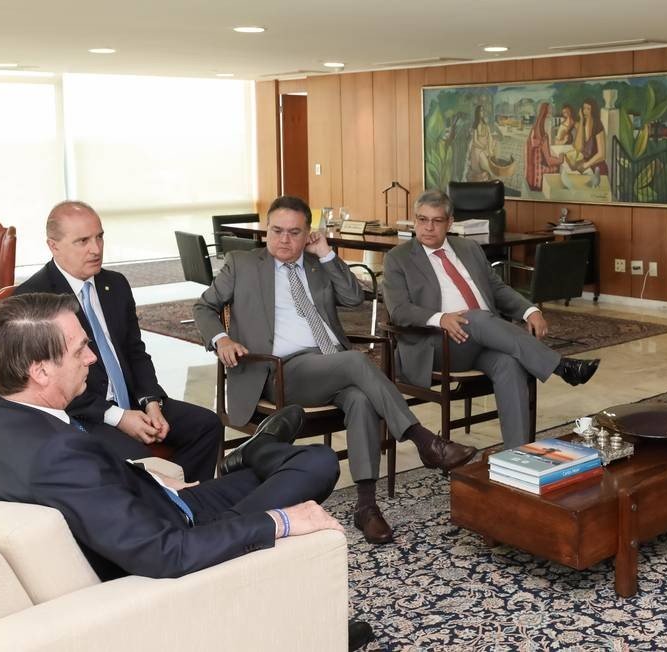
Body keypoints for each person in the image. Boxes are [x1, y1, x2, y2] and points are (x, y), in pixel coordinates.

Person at [0, 292, 374, 650]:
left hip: (161, 502)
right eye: (80, 349)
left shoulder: (10, 422)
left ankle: (253, 455)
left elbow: (90, 490)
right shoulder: (58, 454)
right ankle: (255, 459)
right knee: (317, 465)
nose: (91, 357)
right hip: (185, 533)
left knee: (315, 460)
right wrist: (281, 521)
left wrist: (151, 477)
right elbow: (167, 553)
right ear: (40, 371)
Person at [194, 195, 476, 545]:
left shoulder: (317, 264)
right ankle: (424, 440)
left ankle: (366, 506)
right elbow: (204, 307)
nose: (284, 240)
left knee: (360, 399)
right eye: (277, 231)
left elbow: (354, 298)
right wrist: (221, 339)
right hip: (281, 371)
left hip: (330, 364)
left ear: (308, 234)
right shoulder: (242, 264)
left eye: (294, 233)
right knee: (356, 361)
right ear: (266, 230)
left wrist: (327, 254)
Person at [16, 201, 222, 483]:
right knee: (140, 461)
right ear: (54, 246)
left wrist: (151, 402)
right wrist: (118, 417)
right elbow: (47, 384)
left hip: (133, 400)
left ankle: (187, 500)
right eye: (83, 241)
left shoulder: (115, 284)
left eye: (99, 237)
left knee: (207, 426)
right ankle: (163, 501)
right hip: (84, 412)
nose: (96, 249)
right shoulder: (33, 298)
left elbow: (135, 351)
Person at [382, 189, 600, 449]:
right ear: (414, 220)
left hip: (483, 342)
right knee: (477, 319)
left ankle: (518, 454)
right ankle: (560, 365)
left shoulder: (469, 248)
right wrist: (440, 318)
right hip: (438, 344)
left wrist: (530, 311)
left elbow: (497, 289)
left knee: (509, 364)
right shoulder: (398, 258)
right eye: (422, 219)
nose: (428, 227)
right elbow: (399, 310)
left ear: (450, 223)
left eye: (436, 221)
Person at [570, 97, 608, 188]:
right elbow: (578, 147)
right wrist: (581, 120)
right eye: (584, 108)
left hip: (597, 167)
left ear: (593, 111)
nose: (585, 111)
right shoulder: (582, 124)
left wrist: (586, 165)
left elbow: (602, 154)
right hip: (586, 166)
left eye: (588, 109)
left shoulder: (597, 125)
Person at [524, 102, 562, 192]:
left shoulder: (534, 130)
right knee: (559, 168)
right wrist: (561, 159)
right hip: (537, 178)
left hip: (530, 177)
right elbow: (549, 161)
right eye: (549, 115)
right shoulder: (543, 136)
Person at [466, 104, 495, 181]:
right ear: (477, 113)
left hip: (484, 148)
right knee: (482, 157)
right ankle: (491, 175)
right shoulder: (475, 125)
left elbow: (490, 137)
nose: (483, 112)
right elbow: (475, 141)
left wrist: (489, 149)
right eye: (481, 111)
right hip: (477, 149)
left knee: (494, 147)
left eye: (483, 110)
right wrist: (483, 147)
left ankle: (491, 175)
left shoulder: (486, 125)